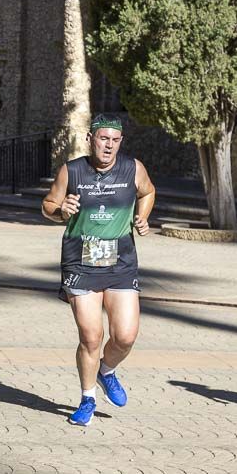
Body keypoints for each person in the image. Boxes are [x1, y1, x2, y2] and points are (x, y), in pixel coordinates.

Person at [42, 114, 156, 427]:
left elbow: (147, 192)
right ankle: (87, 398)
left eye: (115, 140)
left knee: (126, 336)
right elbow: (47, 205)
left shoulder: (133, 168)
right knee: (92, 337)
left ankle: (106, 370)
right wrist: (60, 210)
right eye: (103, 139)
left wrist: (142, 217)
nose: (108, 145)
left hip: (120, 261)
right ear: (91, 138)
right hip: (81, 261)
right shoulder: (72, 170)